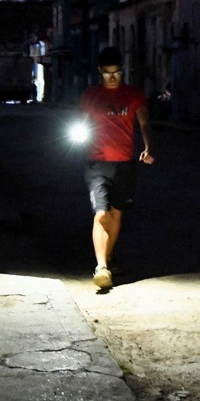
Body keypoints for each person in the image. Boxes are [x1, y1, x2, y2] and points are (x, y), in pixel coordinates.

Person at [79, 47, 155, 290]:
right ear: (100, 72)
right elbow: (82, 122)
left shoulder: (133, 95)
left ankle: (109, 256)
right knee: (100, 213)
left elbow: (144, 122)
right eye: (108, 73)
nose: (112, 78)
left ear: (122, 72)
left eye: (117, 73)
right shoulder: (91, 96)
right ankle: (101, 267)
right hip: (97, 163)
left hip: (124, 164)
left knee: (116, 214)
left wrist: (148, 146)